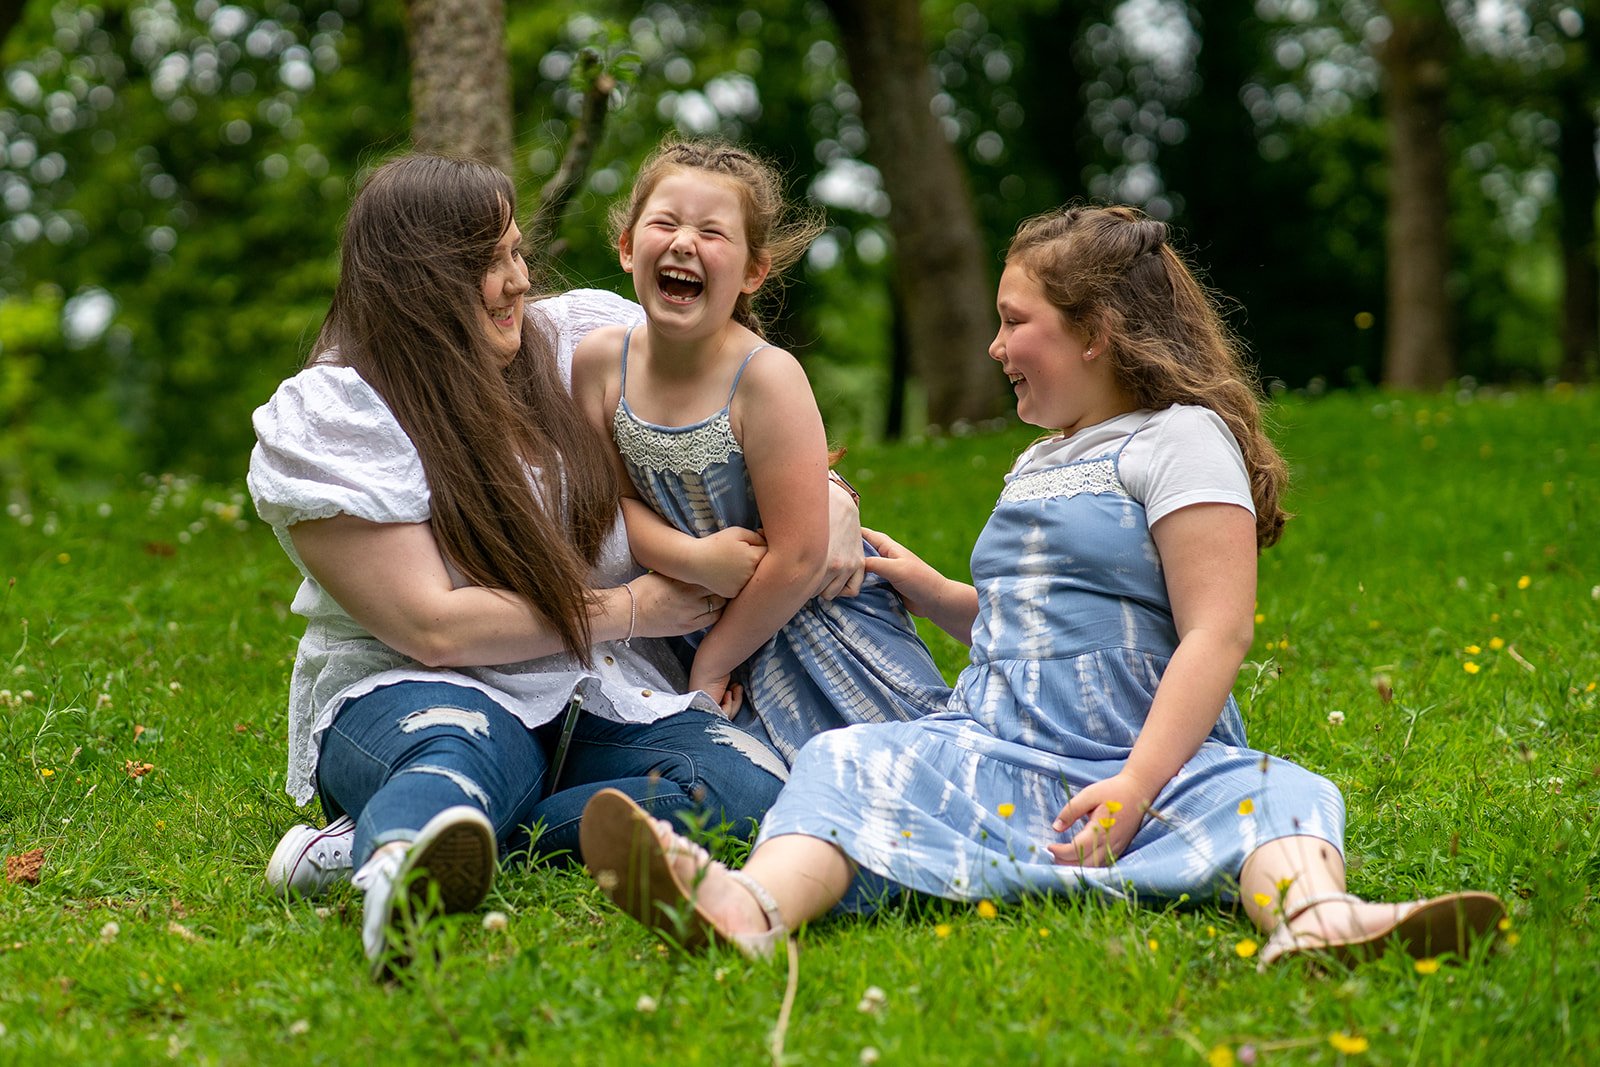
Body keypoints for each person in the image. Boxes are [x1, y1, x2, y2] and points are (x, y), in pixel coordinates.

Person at [580, 205, 1506, 967]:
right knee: (849, 762)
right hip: (1004, 745)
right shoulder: (1039, 458)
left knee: (1274, 793)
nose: (994, 346)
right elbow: (1030, 620)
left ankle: (1316, 917)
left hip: (1142, 756)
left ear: (1097, 334)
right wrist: (936, 590)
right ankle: (747, 906)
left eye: (1015, 321)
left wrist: (1138, 784)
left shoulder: (1177, 440)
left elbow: (1215, 634)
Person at [247, 154, 858, 976]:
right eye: (485, 266)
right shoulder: (333, 414)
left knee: (745, 789)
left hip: (600, 691)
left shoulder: (582, 340)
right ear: (409, 283)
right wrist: (634, 608)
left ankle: (445, 832)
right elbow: (432, 626)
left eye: (514, 252)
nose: (515, 282)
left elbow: (723, 423)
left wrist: (829, 499)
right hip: (422, 691)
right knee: (460, 752)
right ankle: (398, 862)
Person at [571, 138, 950, 764]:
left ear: (753, 270)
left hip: (816, 618)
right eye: (664, 222)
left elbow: (800, 556)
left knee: (892, 774)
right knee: (742, 789)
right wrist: (693, 558)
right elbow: (612, 505)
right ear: (626, 245)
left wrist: (714, 661)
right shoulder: (600, 366)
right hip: (695, 612)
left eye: (713, 232)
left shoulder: (765, 377)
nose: (684, 242)